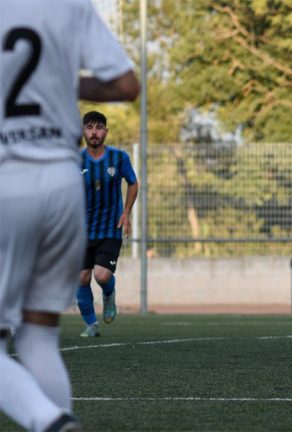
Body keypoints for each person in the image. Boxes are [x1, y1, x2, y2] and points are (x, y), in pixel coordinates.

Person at [0, 0, 139, 430]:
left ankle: (49, 422)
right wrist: (58, 82)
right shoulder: (69, 6)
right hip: (63, 182)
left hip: (9, 180)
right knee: (39, 334)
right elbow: (126, 85)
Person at [77, 111, 138, 338]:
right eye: (89, 127)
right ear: (83, 131)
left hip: (109, 227)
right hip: (81, 230)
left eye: (99, 127)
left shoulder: (119, 158)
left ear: (106, 132)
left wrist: (126, 212)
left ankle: (108, 293)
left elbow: (133, 183)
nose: (94, 132)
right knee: (81, 278)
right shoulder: (75, 160)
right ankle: (91, 325)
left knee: (101, 275)